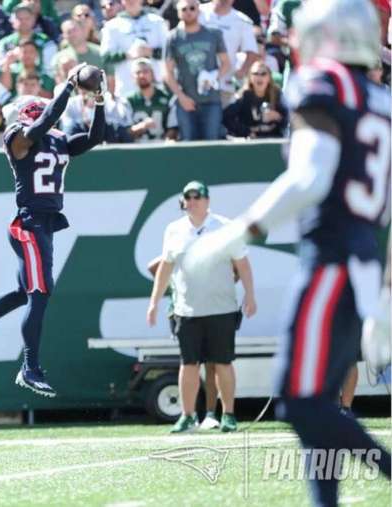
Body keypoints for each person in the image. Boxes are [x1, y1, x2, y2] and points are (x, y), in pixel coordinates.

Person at [184, 1, 390, 502]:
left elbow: (309, 177)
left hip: (331, 260)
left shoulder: (325, 81)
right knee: (318, 403)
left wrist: (236, 235)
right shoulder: (380, 98)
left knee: (300, 402)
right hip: (364, 261)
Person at [0, 64, 106, 396]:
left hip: (45, 225)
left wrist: (100, 100)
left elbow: (95, 137)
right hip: (29, 224)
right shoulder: (17, 137)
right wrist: (69, 86)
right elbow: (44, 122)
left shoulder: (58, 140)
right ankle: (30, 366)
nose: (38, 109)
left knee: (26, 293)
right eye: (33, 107)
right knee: (40, 293)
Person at [147, 181, 256, 433]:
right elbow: (165, 268)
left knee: (223, 363)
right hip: (187, 310)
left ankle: (228, 414)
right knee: (189, 364)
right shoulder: (174, 230)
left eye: (198, 196)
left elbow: (243, 263)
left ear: (207, 201)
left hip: (222, 309)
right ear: (183, 201)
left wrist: (250, 294)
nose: (193, 200)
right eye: (188, 196)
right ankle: (187, 416)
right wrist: (154, 302)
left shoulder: (226, 227)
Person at [163, 0, 230, 141]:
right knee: (188, 145)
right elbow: (167, 73)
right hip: (186, 101)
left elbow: (226, 63)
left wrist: (214, 76)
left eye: (192, 8)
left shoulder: (213, 34)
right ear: (178, 12)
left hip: (211, 100)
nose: (188, 11)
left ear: (199, 10)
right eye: (184, 9)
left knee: (212, 143)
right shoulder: (173, 38)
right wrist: (181, 97)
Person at [100, 0, 169, 97]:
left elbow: (170, 52)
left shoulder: (157, 22)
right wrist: (127, 55)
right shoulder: (112, 26)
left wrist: (151, 52)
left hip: (156, 88)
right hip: (127, 89)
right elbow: (105, 57)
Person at [198, 0, 258, 107]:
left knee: (218, 121)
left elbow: (252, 51)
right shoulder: (196, 11)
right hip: (193, 81)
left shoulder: (242, 21)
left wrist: (242, 71)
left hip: (223, 85)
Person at [0, 3, 57, 77]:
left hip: (39, 82)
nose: (23, 22)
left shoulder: (45, 41)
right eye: (19, 19)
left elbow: (50, 68)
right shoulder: (4, 43)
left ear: (34, 19)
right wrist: (8, 60)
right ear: (12, 21)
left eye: (27, 18)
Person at [222, 61, 287, 138]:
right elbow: (226, 118)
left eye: (263, 74)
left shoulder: (277, 95)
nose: (259, 77)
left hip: (274, 139)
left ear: (269, 78)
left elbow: (291, 119)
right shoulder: (243, 96)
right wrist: (246, 132)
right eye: (255, 74)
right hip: (250, 142)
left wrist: (278, 117)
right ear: (250, 78)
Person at [124, 57, 177, 142]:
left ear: (152, 74)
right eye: (138, 72)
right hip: (137, 149)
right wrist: (143, 126)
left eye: (145, 71)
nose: (142, 75)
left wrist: (164, 145)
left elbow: (173, 129)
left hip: (161, 147)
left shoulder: (167, 98)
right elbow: (126, 132)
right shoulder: (128, 101)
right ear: (132, 77)